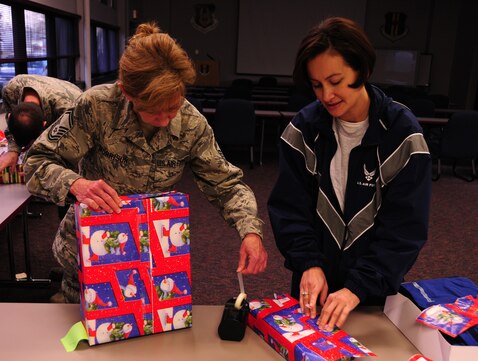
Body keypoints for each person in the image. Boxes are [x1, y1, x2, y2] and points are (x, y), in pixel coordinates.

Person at [24, 22, 268, 303]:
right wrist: (76, 184)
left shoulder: (191, 124)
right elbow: (36, 162)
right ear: (127, 92)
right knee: (82, 337)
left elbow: (226, 185)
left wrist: (250, 230)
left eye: (173, 108)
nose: (166, 120)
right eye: (154, 112)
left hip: (152, 260)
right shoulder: (97, 107)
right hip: (90, 255)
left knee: (147, 339)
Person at [268, 17, 431, 331]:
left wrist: (359, 286)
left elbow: (404, 231)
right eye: (317, 85)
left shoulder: (403, 136)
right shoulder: (302, 131)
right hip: (313, 289)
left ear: (364, 71)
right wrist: (309, 264)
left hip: (372, 296)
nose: (326, 95)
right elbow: (290, 210)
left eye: (336, 80)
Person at [0, 74, 82, 171]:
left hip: (78, 111)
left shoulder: (70, 111)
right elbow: (14, 124)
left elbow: (75, 151)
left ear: (44, 124)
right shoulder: (10, 90)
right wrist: (13, 150)